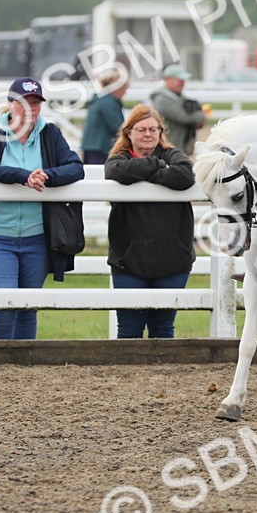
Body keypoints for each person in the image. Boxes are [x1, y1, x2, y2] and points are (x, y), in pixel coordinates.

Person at [0, 77, 84, 339]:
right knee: (3, 307)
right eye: (24, 102)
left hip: (37, 238)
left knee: (27, 308)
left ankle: (24, 371)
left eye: (36, 103)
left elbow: (75, 168)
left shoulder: (50, 133)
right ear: (10, 104)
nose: (31, 109)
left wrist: (45, 175)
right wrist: (22, 175)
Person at [104, 103, 196, 338]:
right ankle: (125, 376)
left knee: (163, 328)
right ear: (129, 133)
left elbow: (186, 174)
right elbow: (116, 172)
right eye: (141, 129)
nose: (148, 134)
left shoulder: (172, 154)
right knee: (129, 329)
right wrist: (157, 166)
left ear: (160, 133)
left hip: (172, 258)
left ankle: (164, 376)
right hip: (129, 259)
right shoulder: (119, 158)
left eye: (153, 130)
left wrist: (143, 174)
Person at [150, 64, 205, 155]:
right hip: (166, 150)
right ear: (168, 79)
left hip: (176, 148)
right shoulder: (162, 99)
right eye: (179, 80)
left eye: (183, 80)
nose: (182, 83)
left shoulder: (179, 97)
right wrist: (201, 115)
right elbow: (184, 116)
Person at [80, 69, 128, 164]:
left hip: (92, 147)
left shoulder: (100, 100)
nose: (125, 92)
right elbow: (118, 128)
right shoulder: (108, 103)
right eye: (124, 89)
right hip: (100, 149)